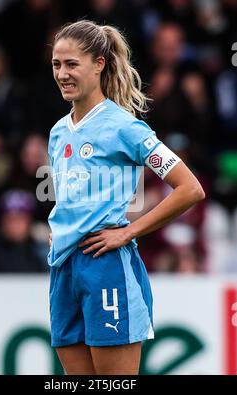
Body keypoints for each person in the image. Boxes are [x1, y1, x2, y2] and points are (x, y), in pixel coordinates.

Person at [47, 20, 205, 375]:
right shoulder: (58, 132)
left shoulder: (125, 127)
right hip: (63, 269)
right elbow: (69, 195)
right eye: (57, 64)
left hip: (105, 265)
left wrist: (128, 231)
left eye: (72, 64)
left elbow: (190, 188)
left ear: (99, 63)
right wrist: (58, 226)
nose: (62, 74)